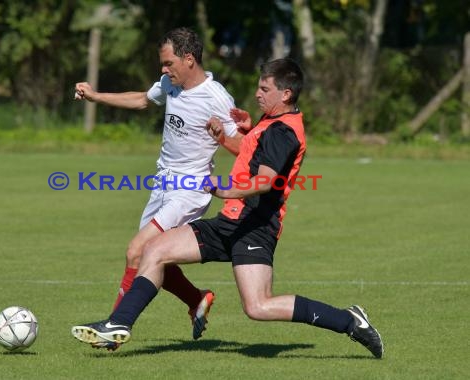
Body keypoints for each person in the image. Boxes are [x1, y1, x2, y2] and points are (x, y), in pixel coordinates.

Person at [70, 58, 384, 359]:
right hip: (229, 222)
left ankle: (349, 321)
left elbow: (265, 181)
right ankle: (118, 324)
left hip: (255, 227)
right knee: (153, 250)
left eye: (264, 89)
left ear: (285, 93)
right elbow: (251, 153)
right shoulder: (272, 122)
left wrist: (222, 189)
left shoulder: (283, 131)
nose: (258, 94)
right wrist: (229, 135)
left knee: (258, 307)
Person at [71, 27, 244, 348]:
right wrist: (96, 96)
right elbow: (141, 99)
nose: (163, 71)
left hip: (190, 189)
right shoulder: (170, 84)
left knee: (136, 250)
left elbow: (246, 146)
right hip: (162, 184)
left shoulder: (216, 97)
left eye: (168, 64)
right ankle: (197, 298)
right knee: (152, 255)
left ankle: (114, 327)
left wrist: (222, 136)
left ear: (189, 59)